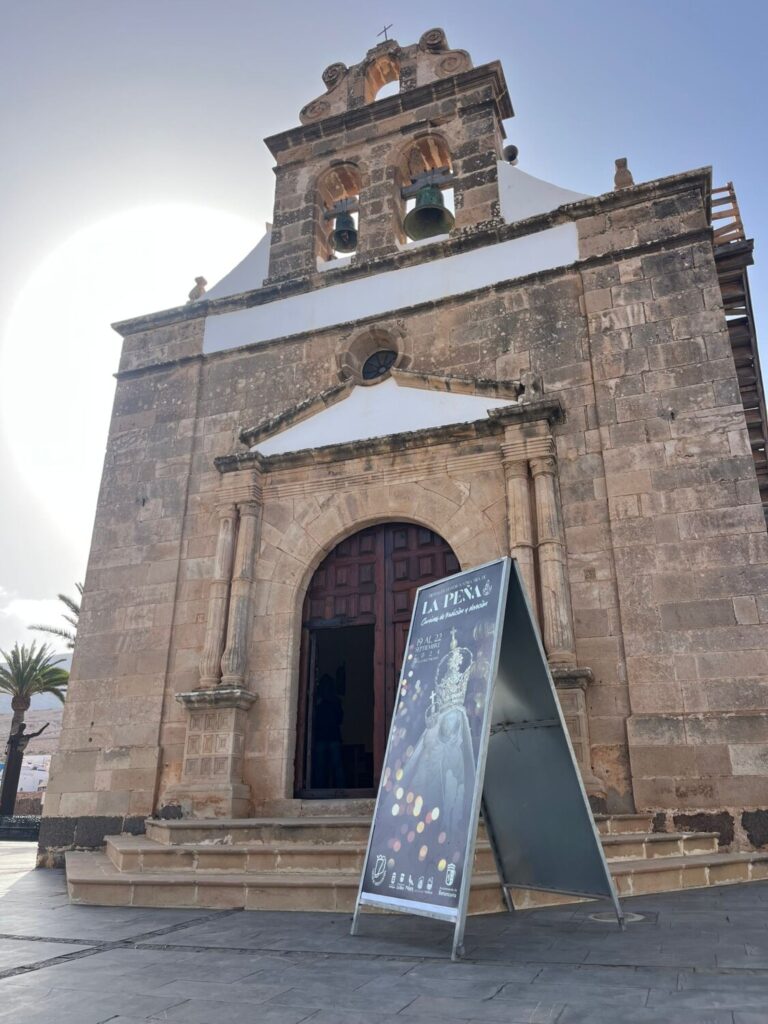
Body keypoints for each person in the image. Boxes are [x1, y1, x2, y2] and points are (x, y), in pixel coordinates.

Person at [312, 674, 345, 789]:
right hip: (326, 736)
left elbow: (339, 718)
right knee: (324, 766)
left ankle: (336, 789)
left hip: (328, 737)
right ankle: (321, 789)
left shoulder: (333, 701)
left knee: (331, 765)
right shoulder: (319, 702)